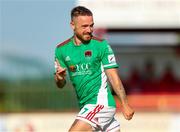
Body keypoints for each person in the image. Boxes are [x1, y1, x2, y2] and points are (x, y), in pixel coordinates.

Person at [54, 6, 134, 131]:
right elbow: (61, 84)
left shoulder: (101, 45)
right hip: (85, 106)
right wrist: (59, 78)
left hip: (100, 104)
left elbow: (113, 77)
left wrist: (125, 104)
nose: (89, 30)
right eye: (84, 26)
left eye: (91, 25)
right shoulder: (61, 50)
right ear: (72, 25)